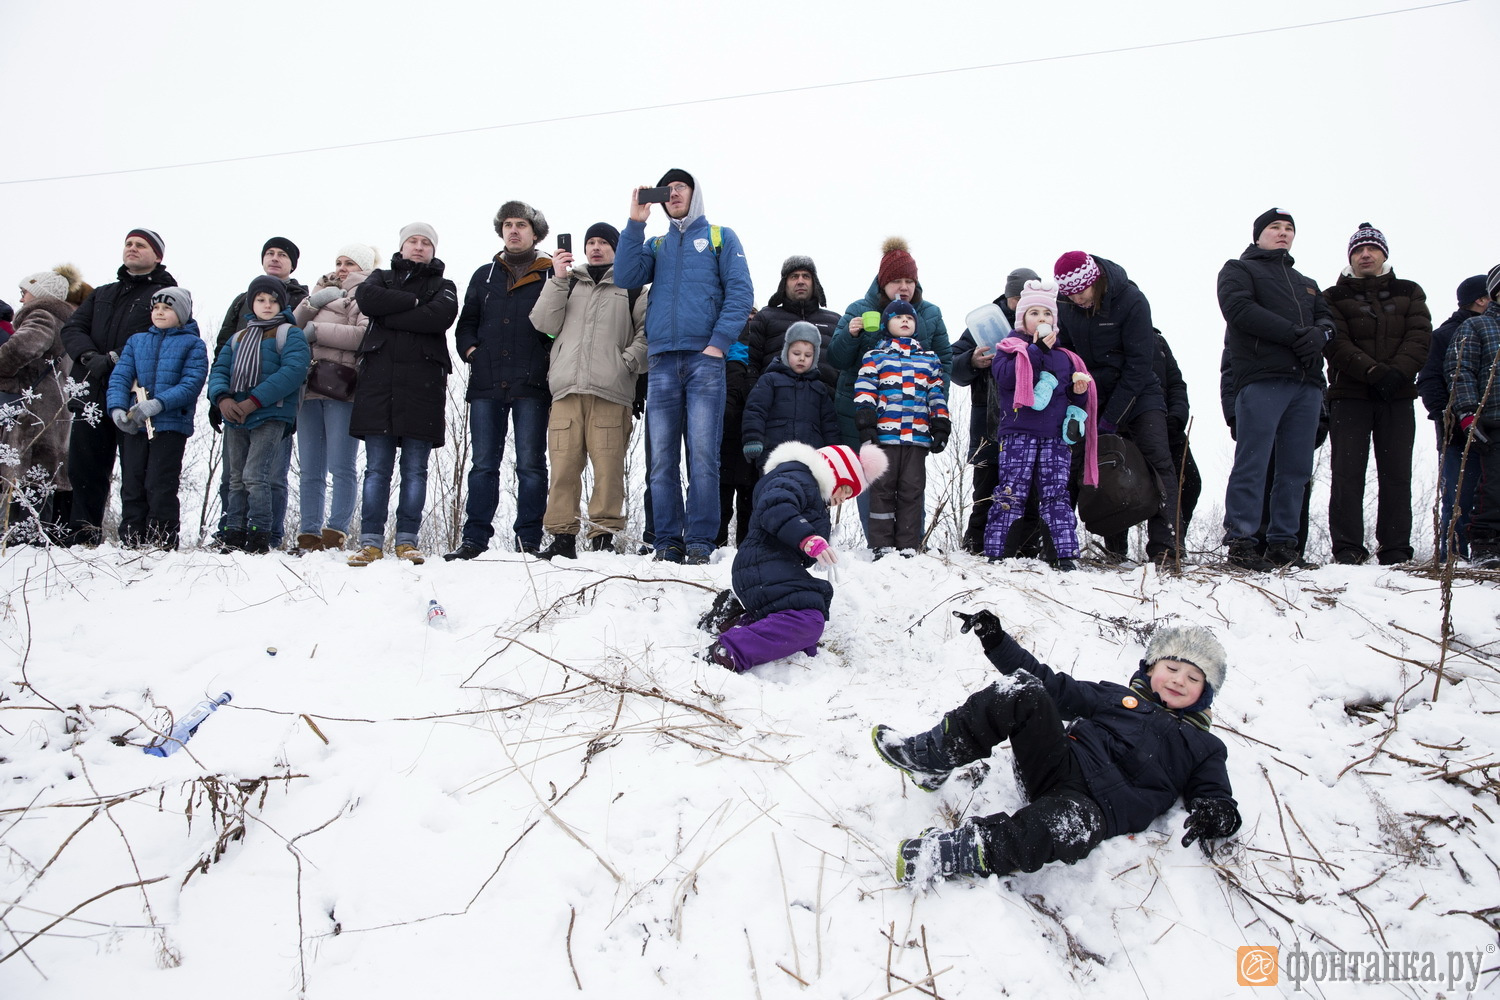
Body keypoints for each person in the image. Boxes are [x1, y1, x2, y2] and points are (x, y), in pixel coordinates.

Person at [873, 614, 1239, 884]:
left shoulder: (1205, 746)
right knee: (1022, 690)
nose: (1179, 679)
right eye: (1172, 667)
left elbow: (1216, 795)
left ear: (1204, 694)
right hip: (1059, 764)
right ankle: (932, 758)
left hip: (1094, 810)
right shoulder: (1116, 697)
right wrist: (999, 642)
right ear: (1149, 670)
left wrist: (1216, 814)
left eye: (1193, 678)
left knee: (1064, 828)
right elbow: (1052, 686)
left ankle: (959, 851)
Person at [612, 169, 753, 564]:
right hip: (660, 362)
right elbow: (624, 276)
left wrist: (718, 344)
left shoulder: (720, 237)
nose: (673, 193)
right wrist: (635, 223)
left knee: (704, 455)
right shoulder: (655, 244)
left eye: (681, 187)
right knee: (660, 458)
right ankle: (668, 540)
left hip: (703, 361)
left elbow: (741, 292)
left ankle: (700, 541)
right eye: (667, 189)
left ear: (695, 193)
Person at [703, 442, 887, 672]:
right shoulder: (798, 477)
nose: (844, 498)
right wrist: (807, 537)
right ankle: (728, 652)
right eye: (846, 489)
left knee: (803, 634)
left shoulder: (807, 488)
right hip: (762, 563)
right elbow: (776, 505)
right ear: (836, 472)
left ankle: (732, 619)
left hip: (765, 566)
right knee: (808, 621)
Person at [1219, 209, 1334, 571]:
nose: (1282, 233)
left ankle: (1285, 544)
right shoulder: (1239, 270)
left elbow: (1327, 320)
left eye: (1289, 228)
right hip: (1262, 379)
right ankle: (1241, 541)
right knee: (1253, 462)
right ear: (1258, 235)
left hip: (1307, 384)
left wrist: (1320, 334)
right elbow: (1238, 309)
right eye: (1274, 227)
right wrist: (1294, 335)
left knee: (1296, 468)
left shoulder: (1307, 284)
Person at [527, 222, 647, 559]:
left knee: (608, 470)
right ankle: (562, 538)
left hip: (612, 393)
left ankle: (603, 539)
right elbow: (543, 324)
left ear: (617, 248)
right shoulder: (568, 282)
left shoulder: (633, 285)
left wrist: (626, 363)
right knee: (563, 467)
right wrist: (558, 278)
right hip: (566, 391)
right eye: (590, 242)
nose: (595, 248)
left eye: (603, 243)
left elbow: (647, 334)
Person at [1054, 251, 1178, 563]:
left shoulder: (1132, 300)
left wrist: (1111, 419)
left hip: (1139, 392)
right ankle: (1062, 544)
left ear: (1095, 282)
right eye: (1070, 295)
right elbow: (1067, 356)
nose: (1077, 300)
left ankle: (1165, 548)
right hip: (1091, 392)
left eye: (1081, 293)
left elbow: (1138, 366)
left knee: (1157, 459)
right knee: (1079, 464)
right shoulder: (1065, 305)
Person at [447, 201, 555, 560]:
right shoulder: (485, 275)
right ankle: (474, 539)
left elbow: (560, 325)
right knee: (483, 465)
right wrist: (471, 352)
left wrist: (544, 357)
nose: (513, 230)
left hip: (532, 384)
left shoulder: (550, 274)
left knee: (530, 464)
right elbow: (467, 323)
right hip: (487, 384)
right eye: (508, 224)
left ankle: (528, 541)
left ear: (535, 232)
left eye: (521, 224)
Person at [349, 224, 458, 566]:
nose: (419, 247)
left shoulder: (445, 286)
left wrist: (390, 313)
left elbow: (439, 317)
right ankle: (370, 542)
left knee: (415, 470)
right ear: (402, 245)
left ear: (433, 250)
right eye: (413, 240)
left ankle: (408, 541)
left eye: (426, 243)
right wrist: (413, 302)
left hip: (423, 387)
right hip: (379, 385)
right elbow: (367, 300)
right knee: (377, 470)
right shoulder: (379, 278)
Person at [60, 228, 177, 546]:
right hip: (92, 391)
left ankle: (135, 538)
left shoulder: (166, 293)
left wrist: (115, 360)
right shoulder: (102, 292)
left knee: (136, 473)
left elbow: (157, 334)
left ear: (158, 256)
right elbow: (73, 327)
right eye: (128, 244)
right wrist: (89, 356)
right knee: (84, 469)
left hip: (136, 395)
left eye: (141, 245)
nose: (132, 249)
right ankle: (82, 536)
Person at [1323, 224, 1431, 566]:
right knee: (1346, 473)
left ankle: (1396, 549)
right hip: (1349, 394)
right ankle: (1348, 548)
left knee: (1397, 472)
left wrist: (1397, 372)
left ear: (1384, 253)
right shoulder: (1332, 296)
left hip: (1397, 396)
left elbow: (1419, 336)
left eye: (1371, 249)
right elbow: (1335, 342)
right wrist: (1372, 371)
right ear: (1350, 257)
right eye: (1358, 250)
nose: (1365, 255)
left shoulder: (1410, 291)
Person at [982, 279, 1097, 571]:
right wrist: (1033, 351)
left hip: (1054, 438)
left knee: (1056, 493)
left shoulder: (1065, 358)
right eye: (1034, 313)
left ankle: (1064, 555)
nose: (1041, 319)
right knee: (1011, 490)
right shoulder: (1009, 349)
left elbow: (1069, 399)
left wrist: (1079, 395)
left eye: (1046, 314)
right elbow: (1007, 378)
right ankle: (998, 552)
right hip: (1019, 433)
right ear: (1022, 319)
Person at [213, 237, 308, 549]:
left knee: (258, 476)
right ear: (251, 304)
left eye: (273, 301)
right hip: (235, 416)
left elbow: (292, 372)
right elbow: (220, 369)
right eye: (260, 300)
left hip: (269, 414)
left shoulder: (290, 334)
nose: (267, 305)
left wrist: (253, 401)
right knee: (235, 478)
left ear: (282, 305)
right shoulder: (239, 338)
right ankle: (233, 532)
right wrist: (223, 399)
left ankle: (260, 533)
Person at [105, 287, 208, 550]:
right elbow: (120, 376)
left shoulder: (193, 344)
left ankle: (162, 543)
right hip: (135, 425)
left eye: (168, 308)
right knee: (132, 484)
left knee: (160, 484)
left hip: (170, 426)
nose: (160, 312)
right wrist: (117, 409)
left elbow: (191, 384)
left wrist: (157, 404)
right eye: (156, 308)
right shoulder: (136, 341)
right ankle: (132, 542)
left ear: (182, 313)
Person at [290, 244, 376, 552]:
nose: (341, 268)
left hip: (342, 387)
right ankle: (308, 532)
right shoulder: (318, 294)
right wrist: (311, 304)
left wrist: (316, 329)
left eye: (349, 263)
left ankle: (336, 529)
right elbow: (291, 332)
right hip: (309, 387)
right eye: (338, 262)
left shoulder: (365, 295)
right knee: (310, 467)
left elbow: (361, 336)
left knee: (341, 465)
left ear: (362, 267)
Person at [829, 237, 951, 449]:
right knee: (859, 479)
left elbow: (944, 366)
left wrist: (938, 417)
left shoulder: (930, 314)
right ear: (883, 282)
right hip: (856, 416)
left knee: (904, 480)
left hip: (910, 420)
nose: (904, 287)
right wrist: (850, 336)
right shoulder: (859, 309)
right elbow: (836, 359)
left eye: (909, 281)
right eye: (896, 281)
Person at [952, 267, 1037, 555]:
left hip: (1031, 424)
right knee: (985, 492)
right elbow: (952, 363)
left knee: (1029, 491)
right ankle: (975, 548)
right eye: (1017, 299)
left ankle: (1026, 550)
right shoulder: (986, 323)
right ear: (1009, 296)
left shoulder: (1043, 319)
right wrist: (972, 360)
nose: (1021, 305)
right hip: (988, 425)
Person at [854, 300, 950, 554]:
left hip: (916, 439)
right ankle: (881, 545)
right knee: (882, 490)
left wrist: (941, 425)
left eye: (909, 318)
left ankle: (908, 544)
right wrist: (866, 424)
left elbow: (936, 395)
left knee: (912, 489)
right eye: (898, 318)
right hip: (884, 437)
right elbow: (865, 392)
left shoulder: (929, 360)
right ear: (886, 324)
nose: (905, 321)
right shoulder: (875, 357)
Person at [3, 267, 89, 542]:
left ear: (40, 294)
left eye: (24, 293)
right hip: (51, 412)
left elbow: (24, 347)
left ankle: (23, 544)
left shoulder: (41, 315)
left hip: (32, 413)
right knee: (40, 482)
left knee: (26, 478)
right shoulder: (65, 321)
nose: (21, 301)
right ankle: (33, 542)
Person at [1418, 274, 1490, 560]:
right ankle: (1454, 556)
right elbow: (1429, 379)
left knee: (1486, 496)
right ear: (1481, 299)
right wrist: (1447, 415)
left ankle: (1484, 552)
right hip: (1457, 434)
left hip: (1491, 429)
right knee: (1459, 496)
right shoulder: (1446, 334)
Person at [1447, 265, 1500, 567]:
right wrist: (1467, 413)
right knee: (1493, 487)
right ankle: (1485, 544)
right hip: (1493, 420)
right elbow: (1460, 370)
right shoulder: (1478, 327)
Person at [741, 322, 840, 466]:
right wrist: (752, 438)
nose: (802, 358)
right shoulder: (770, 380)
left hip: (810, 455)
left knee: (806, 488)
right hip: (774, 453)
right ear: (786, 352)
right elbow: (755, 410)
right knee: (775, 487)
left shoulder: (819, 389)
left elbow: (829, 424)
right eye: (796, 353)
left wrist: (834, 452)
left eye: (808, 355)